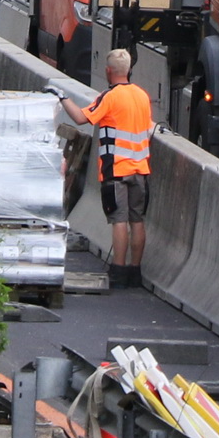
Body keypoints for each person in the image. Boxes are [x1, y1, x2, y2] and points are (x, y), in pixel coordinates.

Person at [68, 47, 155, 287]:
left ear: (108, 71)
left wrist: (62, 98)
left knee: (119, 220)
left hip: (116, 170)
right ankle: (135, 272)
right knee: (137, 221)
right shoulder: (142, 95)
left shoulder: (110, 97)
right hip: (141, 169)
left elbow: (80, 118)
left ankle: (117, 269)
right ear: (128, 70)